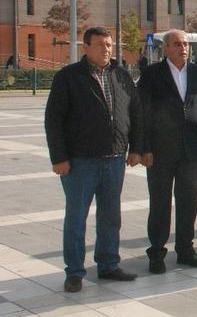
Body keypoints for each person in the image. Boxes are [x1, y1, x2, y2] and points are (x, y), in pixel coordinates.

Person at [45, 27, 142, 292]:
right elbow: (54, 119)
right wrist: (59, 157)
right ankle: (75, 272)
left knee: (111, 217)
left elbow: (135, 113)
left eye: (109, 45)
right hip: (80, 162)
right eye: (100, 44)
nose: (106, 49)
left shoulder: (121, 75)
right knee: (76, 218)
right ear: (86, 47)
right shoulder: (69, 77)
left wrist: (136, 148)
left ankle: (109, 264)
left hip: (114, 159)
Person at [138, 30, 197, 274]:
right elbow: (142, 113)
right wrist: (144, 148)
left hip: (190, 149)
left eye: (186, 44)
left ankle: (186, 250)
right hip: (160, 151)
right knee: (160, 203)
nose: (183, 48)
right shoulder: (151, 74)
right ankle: (157, 253)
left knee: (189, 202)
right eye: (177, 44)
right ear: (166, 48)